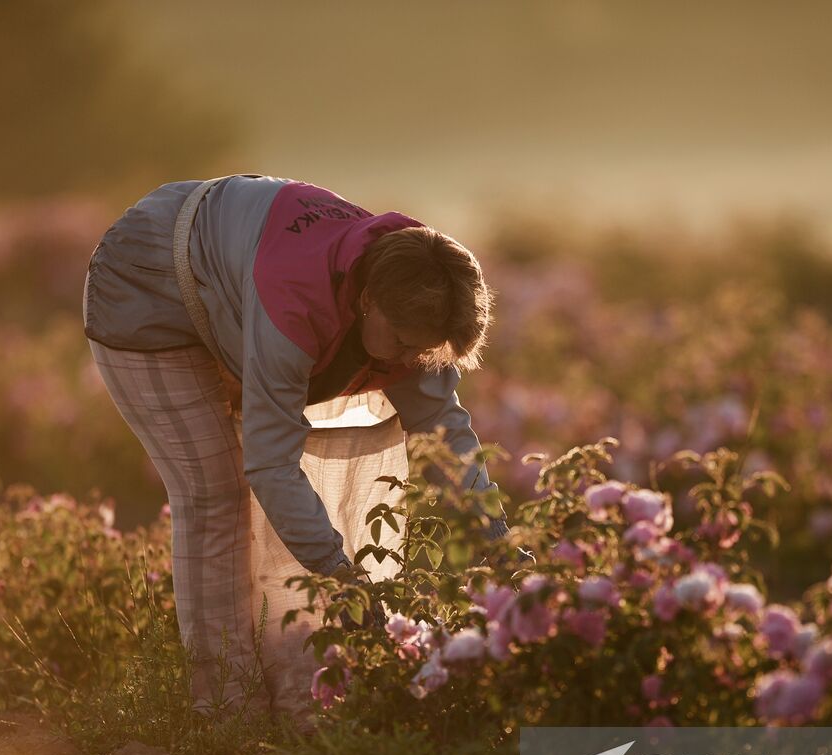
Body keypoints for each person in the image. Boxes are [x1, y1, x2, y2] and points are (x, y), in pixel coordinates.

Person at [81, 173, 512, 717]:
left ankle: (304, 679)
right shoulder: (296, 302)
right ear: (368, 302)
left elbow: (446, 432)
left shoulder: (415, 291)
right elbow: (272, 466)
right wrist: (338, 574)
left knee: (352, 435)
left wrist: (497, 546)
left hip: (234, 280)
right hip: (145, 283)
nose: (409, 359)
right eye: (403, 343)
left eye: (423, 350)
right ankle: (227, 702)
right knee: (216, 491)